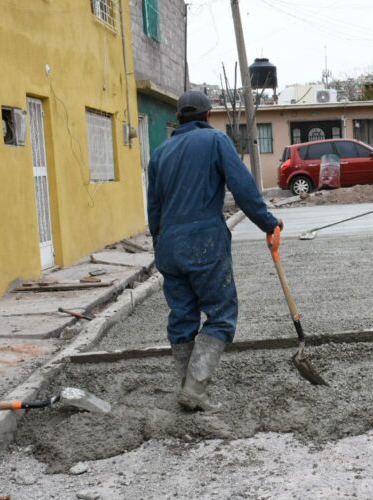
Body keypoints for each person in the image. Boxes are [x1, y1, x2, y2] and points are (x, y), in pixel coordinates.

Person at [147, 90, 281, 411]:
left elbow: (154, 209)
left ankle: (186, 387)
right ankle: (194, 389)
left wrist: (160, 248)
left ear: (178, 119)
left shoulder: (160, 153)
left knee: (182, 317)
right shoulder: (216, 142)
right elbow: (243, 188)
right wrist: (268, 223)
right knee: (221, 315)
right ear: (208, 116)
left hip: (169, 247)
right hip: (204, 244)